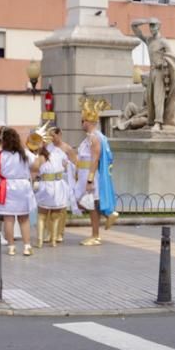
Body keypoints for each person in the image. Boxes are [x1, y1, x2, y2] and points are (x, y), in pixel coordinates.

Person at [75, 97, 115, 246]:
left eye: (83, 120)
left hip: (90, 175)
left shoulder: (94, 138)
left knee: (88, 204)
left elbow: (95, 159)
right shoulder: (91, 137)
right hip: (85, 173)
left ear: (90, 122)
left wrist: (90, 180)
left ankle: (96, 234)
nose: (82, 123)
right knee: (85, 203)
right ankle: (107, 216)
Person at [0, 127, 36, 256]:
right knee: (24, 218)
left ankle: (11, 247)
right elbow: (35, 165)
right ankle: (27, 246)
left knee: (8, 219)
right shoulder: (25, 153)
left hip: (7, 186)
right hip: (23, 186)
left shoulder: (0, 156)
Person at [34, 126, 72, 248]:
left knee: (41, 215)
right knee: (56, 215)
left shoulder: (40, 156)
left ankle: (40, 241)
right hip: (58, 187)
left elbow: (35, 171)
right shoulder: (59, 153)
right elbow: (66, 166)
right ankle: (54, 241)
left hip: (45, 187)